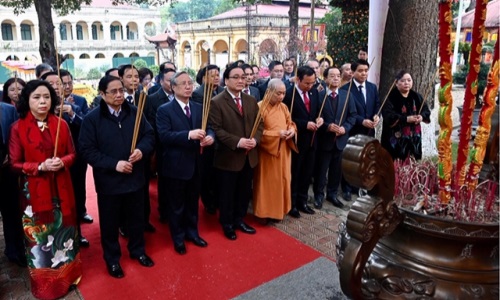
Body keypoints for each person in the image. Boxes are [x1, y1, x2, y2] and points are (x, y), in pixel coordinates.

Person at [9, 80, 82, 299]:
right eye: (36, 97)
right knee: (41, 241)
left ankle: (69, 278)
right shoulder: (18, 128)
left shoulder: (62, 124)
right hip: (35, 195)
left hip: (62, 189)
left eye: (47, 97)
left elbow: (73, 154)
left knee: (65, 236)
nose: (43, 102)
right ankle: (47, 287)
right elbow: (14, 163)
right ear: (27, 101)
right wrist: (40, 166)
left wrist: (63, 162)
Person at [79, 75, 155, 278]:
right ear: (102, 94)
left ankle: (138, 251)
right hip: (109, 182)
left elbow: (149, 135)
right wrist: (114, 164)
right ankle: (112, 260)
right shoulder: (92, 119)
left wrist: (141, 150)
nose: (119, 95)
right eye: (113, 91)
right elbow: (87, 150)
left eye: (121, 90)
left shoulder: (134, 112)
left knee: (137, 219)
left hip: (135, 177)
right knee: (110, 224)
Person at [156, 71, 214, 255]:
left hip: (197, 163)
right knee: (176, 205)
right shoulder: (164, 110)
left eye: (190, 83)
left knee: (192, 203)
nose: (188, 86)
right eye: (183, 84)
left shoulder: (198, 107)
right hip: (175, 166)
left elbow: (210, 127)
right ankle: (178, 238)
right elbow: (164, 136)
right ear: (173, 87)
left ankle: (193, 233)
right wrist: (189, 135)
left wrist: (210, 137)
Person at [209, 65, 263, 240]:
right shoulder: (216, 102)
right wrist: (238, 142)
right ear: (226, 80)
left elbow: (259, 124)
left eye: (243, 77)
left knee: (244, 191)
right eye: (236, 77)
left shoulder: (250, 100)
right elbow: (217, 130)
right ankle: (227, 224)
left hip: (249, 156)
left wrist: (255, 139)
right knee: (227, 193)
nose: (241, 80)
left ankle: (239, 219)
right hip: (229, 156)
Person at [41, 71, 90, 247]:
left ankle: (76, 234)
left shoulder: (76, 104)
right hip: (47, 164)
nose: (57, 87)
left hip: (74, 160)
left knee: (75, 198)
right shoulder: (39, 108)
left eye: (59, 84)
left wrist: (71, 114)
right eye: (52, 84)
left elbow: (87, 128)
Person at [252, 79, 297, 222]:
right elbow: (256, 132)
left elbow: (291, 123)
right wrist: (277, 134)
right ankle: (264, 213)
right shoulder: (260, 107)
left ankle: (279, 211)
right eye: (278, 93)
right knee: (267, 183)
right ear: (269, 91)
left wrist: (291, 131)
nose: (282, 97)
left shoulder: (283, 107)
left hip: (283, 151)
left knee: (283, 180)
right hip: (268, 152)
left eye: (283, 93)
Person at [283, 66, 324, 218]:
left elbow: (319, 111)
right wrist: (303, 124)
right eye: (307, 83)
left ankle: (303, 201)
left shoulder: (314, 92)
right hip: (296, 141)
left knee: (307, 173)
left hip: (312, 141)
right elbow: (287, 119)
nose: (310, 86)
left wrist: (320, 120)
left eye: (312, 82)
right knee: (295, 173)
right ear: (298, 79)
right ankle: (292, 204)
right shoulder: (288, 94)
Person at [313, 67, 357, 210]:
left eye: (338, 76)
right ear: (325, 78)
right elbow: (316, 117)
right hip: (324, 139)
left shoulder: (347, 95)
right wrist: (326, 126)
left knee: (336, 169)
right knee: (321, 169)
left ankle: (332, 194)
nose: (336, 79)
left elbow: (352, 116)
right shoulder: (319, 96)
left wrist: (345, 128)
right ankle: (318, 195)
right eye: (332, 76)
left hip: (340, 140)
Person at [340, 59, 380, 201]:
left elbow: (376, 105)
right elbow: (346, 113)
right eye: (360, 71)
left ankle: (360, 187)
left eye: (366, 71)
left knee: (365, 160)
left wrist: (376, 116)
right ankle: (346, 188)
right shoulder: (345, 89)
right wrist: (361, 120)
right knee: (350, 160)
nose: (364, 73)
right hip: (353, 130)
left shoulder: (372, 87)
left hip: (369, 131)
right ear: (353, 72)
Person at [60, 69, 93, 225]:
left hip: (78, 150)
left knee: (80, 183)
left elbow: (87, 124)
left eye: (69, 83)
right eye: (63, 83)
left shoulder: (80, 101)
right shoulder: (49, 102)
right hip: (59, 153)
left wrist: (73, 114)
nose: (67, 86)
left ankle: (82, 210)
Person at [144, 67, 176, 223]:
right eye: (169, 80)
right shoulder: (153, 99)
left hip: (179, 145)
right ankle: (164, 210)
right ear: (161, 81)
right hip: (162, 147)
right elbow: (150, 123)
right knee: (164, 181)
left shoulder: (182, 97)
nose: (173, 83)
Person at [192, 65, 223, 215]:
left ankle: (217, 199)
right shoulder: (199, 94)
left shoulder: (222, 91)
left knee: (219, 174)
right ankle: (208, 201)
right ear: (204, 78)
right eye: (212, 75)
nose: (216, 77)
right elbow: (204, 118)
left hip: (222, 138)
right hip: (208, 137)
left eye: (218, 74)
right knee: (207, 173)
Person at [381, 70, 431, 161]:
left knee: (412, 164)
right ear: (396, 83)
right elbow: (388, 115)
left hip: (414, 137)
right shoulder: (391, 97)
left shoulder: (416, 96)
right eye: (403, 81)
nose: (406, 83)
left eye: (409, 80)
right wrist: (406, 119)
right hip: (396, 137)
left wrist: (421, 117)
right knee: (396, 164)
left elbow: (426, 110)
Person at [0, 101, 25, 267]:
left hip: (6, 171)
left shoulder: (8, 110)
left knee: (11, 213)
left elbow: (18, 137)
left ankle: (15, 250)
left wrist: (11, 154)